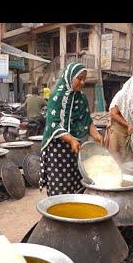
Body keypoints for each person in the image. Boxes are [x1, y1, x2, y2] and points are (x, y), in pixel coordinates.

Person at [39, 62, 102, 196]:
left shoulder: (82, 97)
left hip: (75, 148)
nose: (83, 82)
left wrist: (96, 134)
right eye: (79, 78)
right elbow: (53, 125)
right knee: (60, 185)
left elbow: (87, 120)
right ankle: (58, 212)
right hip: (58, 150)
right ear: (70, 77)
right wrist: (71, 140)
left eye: (84, 79)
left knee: (76, 183)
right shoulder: (57, 96)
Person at [105, 74, 133, 162]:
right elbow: (113, 113)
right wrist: (127, 125)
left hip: (131, 131)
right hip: (118, 131)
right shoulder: (122, 95)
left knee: (128, 159)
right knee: (115, 158)